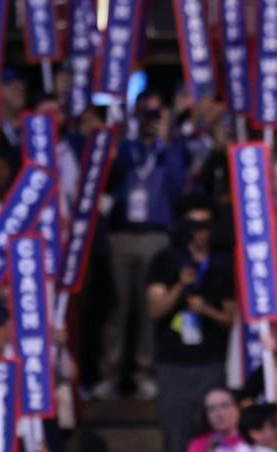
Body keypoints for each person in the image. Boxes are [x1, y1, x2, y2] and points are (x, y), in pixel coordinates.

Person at [149, 197, 237, 452]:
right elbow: (154, 310)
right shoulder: (164, 261)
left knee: (214, 441)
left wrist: (205, 310)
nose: (200, 233)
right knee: (175, 444)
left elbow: (230, 318)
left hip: (209, 364)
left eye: (205, 226)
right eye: (193, 226)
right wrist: (179, 288)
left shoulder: (220, 266)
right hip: (173, 366)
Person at [98, 90, 189, 399]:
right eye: (145, 114)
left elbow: (179, 188)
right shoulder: (127, 148)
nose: (150, 121)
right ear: (136, 116)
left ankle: (145, 373)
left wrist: (169, 141)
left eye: (156, 114)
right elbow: (110, 176)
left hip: (156, 236)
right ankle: (110, 373)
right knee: (116, 307)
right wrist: (123, 135)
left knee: (149, 309)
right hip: (122, 235)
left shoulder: (170, 152)